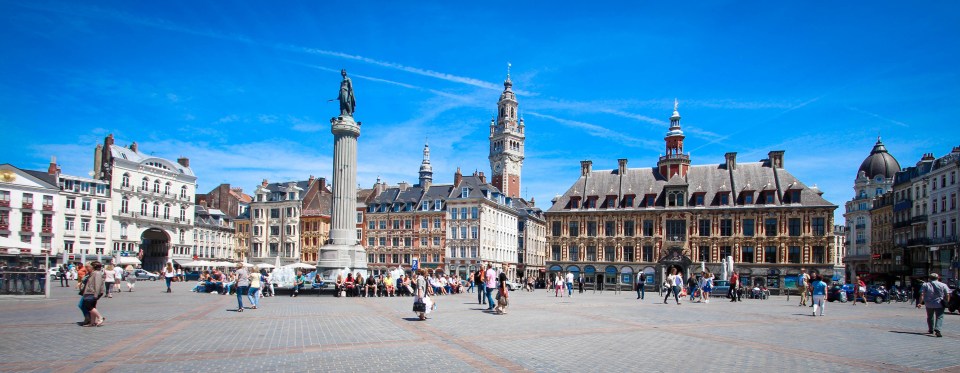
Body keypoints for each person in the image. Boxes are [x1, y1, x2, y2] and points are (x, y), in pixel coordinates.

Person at [918, 273, 951, 337]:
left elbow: (922, 294)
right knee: (939, 317)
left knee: (930, 316)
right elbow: (947, 294)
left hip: (928, 304)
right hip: (939, 303)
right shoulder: (943, 285)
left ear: (930, 278)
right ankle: (937, 329)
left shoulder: (925, 285)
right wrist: (947, 302)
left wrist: (920, 303)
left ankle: (931, 329)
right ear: (938, 278)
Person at [79, 261, 106, 327]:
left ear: (93, 267)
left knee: (88, 306)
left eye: (90, 266)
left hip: (91, 292)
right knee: (92, 307)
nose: (88, 268)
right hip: (90, 292)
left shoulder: (97, 273)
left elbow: (98, 284)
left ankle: (100, 317)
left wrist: (96, 294)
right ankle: (92, 322)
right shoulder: (93, 273)